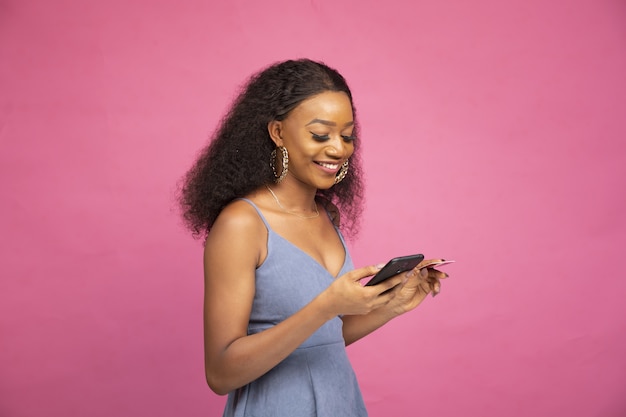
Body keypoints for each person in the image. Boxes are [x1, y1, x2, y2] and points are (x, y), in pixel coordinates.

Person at [179, 58, 449, 417]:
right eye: (321, 135)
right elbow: (221, 372)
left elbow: (322, 338)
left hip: (340, 401)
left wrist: (392, 305)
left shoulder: (326, 214)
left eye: (347, 135)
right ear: (278, 133)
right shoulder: (242, 224)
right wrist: (325, 305)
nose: (338, 149)